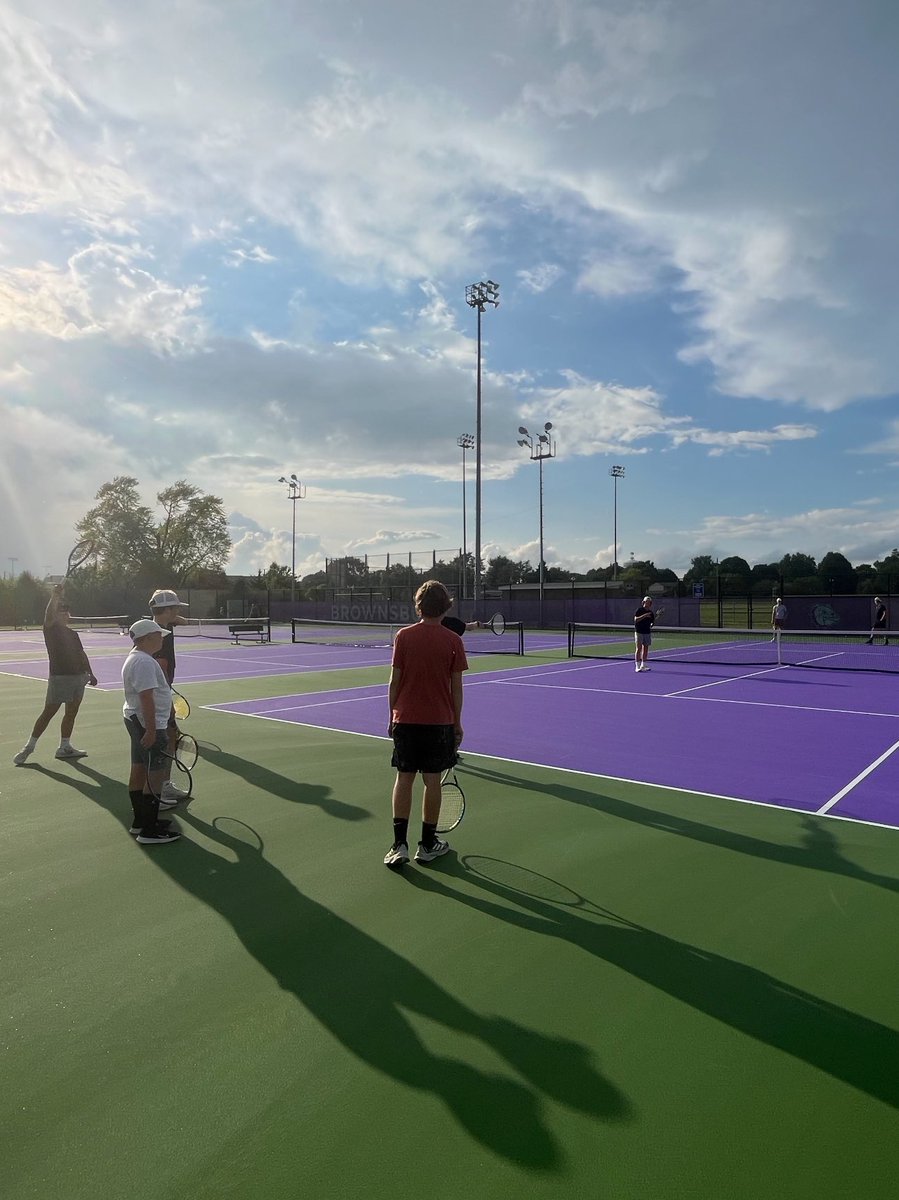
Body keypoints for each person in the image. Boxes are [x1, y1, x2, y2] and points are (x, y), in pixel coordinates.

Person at [384, 579, 468, 869]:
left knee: (404, 778)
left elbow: (394, 681)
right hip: (439, 723)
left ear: (418, 606)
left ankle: (399, 846)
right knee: (432, 782)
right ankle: (428, 844)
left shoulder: (403, 637)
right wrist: (457, 724)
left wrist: (391, 716)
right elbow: (457, 688)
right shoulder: (454, 641)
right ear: (446, 607)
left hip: (405, 720)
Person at [13, 585, 98, 764]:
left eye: (67, 613)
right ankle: (29, 747)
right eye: (61, 613)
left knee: (71, 712)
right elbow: (48, 616)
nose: (65, 615)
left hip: (78, 677)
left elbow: (81, 654)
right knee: (49, 712)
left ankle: (64, 747)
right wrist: (55, 596)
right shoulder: (51, 630)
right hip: (60, 678)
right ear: (56, 615)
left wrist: (90, 673)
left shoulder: (73, 634)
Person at [122, 618, 182, 845]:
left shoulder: (135, 658)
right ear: (147, 639)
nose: (162, 639)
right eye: (158, 636)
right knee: (154, 775)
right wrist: (151, 731)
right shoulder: (144, 662)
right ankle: (149, 831)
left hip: (135, 720)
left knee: (138, 769)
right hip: (148, 725)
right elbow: (146, 697)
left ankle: (141, 821)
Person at [148, 588, 191, 803]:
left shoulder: (158, 626)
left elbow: (183, 621)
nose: (178, 612)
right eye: (174, 608)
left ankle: (163, 786)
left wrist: (169, 611)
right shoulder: (159, 635)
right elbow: (161, 664)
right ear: (166, 610)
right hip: (160, 694)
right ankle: (161, 790)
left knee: (167, 739)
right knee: (165, 741)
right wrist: (168, 695)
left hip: (157, 692)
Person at [633, 596, 656, 672]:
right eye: (646, 601)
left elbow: (651, 623)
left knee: (645, 649)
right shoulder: (639, 610)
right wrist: (645, 615)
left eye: (649, 602)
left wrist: (651, 625)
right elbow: (636, 620)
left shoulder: (651, 613)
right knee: (638, 649)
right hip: (639, 632)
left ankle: (643, 665)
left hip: (647, 632)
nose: (648, 603)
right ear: (643, 602)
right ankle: (637, 666)